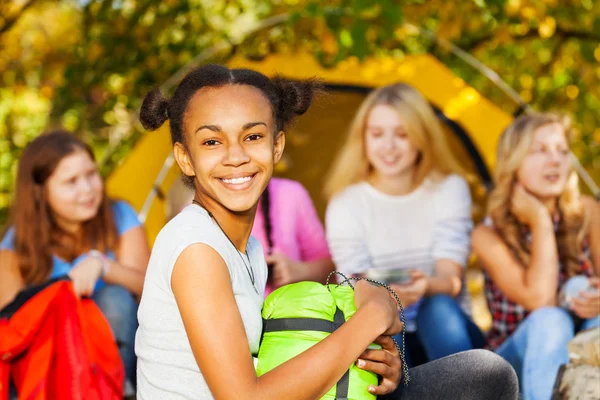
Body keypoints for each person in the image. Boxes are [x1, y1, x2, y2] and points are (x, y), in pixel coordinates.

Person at [134, 64, 518, 400]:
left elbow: (275, 362)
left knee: (484, 375)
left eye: (252, 136)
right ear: (186, 157)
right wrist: (371, 316)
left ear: (277, 145)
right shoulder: (195, 247)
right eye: (212, 141)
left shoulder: (246, 250)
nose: (236, 156)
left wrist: (372, 360)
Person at [324, 83, 485, 367]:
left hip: (446, 335)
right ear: (363, 139)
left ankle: (466, 386)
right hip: (383, 333)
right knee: (382, 314)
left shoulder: (449, 188)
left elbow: (451, 280)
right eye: (377, 134)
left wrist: (424, 287)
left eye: (402, 134)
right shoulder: (346, 203)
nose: (388, 147)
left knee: (437, 310)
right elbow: (349, 287)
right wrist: (388, 296)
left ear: (421, 137)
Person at [0, 131, 150, 388]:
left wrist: (103, 265)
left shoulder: (120, 216)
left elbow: (152, 289)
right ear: (40, 192)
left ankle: (118, 389)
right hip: (53, 365)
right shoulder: (16, 244)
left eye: (91, 175)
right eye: (71, 181)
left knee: (115, 298)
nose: (87, 189)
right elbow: (10, 323)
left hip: (116, 361)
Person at [472, 113, 600, 400]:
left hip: (586, 342)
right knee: (550, 320)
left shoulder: (588, 211)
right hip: (515, 363)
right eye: (540, 150)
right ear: (513, 161)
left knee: (581, 290)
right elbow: (541, 300)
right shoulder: (488, 235)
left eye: (562, 151)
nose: (555, 160)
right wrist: (540, 219)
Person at [253, 177, 334, 295]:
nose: (237, 159)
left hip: (287, 309)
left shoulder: (289, 193)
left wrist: (298, 270)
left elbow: (330, 267)